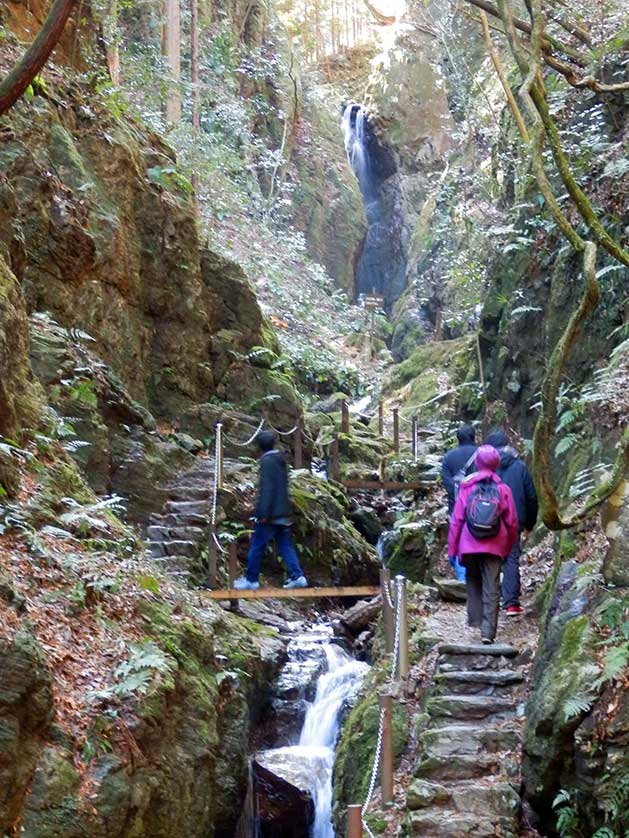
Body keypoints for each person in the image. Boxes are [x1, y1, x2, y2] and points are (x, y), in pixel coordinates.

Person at [447, 445, 519, 644]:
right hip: (495, 544)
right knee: (492, 585)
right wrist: (507, 546)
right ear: (496, 464)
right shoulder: (503, 490)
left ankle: (476, 619)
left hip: (469, 544)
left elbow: (457, 520)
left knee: (473, 580)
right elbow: (512, 522)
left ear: (477, 463)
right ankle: (488, 632)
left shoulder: (466, 487)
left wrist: (452, 548)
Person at [233, 431, 308, 591]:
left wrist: (262, 514)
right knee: (285, 545)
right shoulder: (281, 460)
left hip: (270, 514)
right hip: (283, 511)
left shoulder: (267, 461)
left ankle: (251, 580)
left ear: (260, 446)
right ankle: (298, 576)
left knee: (257, 544)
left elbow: (267, 489)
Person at [485, 430, 538, 616]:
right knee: (511, 559)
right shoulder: (519, 467)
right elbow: (531, 497)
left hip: (486, 521)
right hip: (512, 521)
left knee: (490, 559)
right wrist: (530, 523)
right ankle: (511, 604)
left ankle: (489, 604)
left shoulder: (483, 469)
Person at [441, 424, 478, 582]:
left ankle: (462, 578)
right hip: (479, 505)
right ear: (474, 437)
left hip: (456, 505)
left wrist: (457, 494)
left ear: (458, 439)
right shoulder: (481, 454)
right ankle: (478, 574)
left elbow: (446, 481)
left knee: (459, 538)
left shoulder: (449, 456)